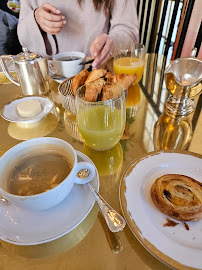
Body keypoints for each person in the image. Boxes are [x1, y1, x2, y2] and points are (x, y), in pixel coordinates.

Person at [18, 0, 139, 68]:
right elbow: (23, 37)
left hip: (96, 71)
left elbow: (128, 29)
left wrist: (112, 42)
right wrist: (36, 19)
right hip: (44, 76)